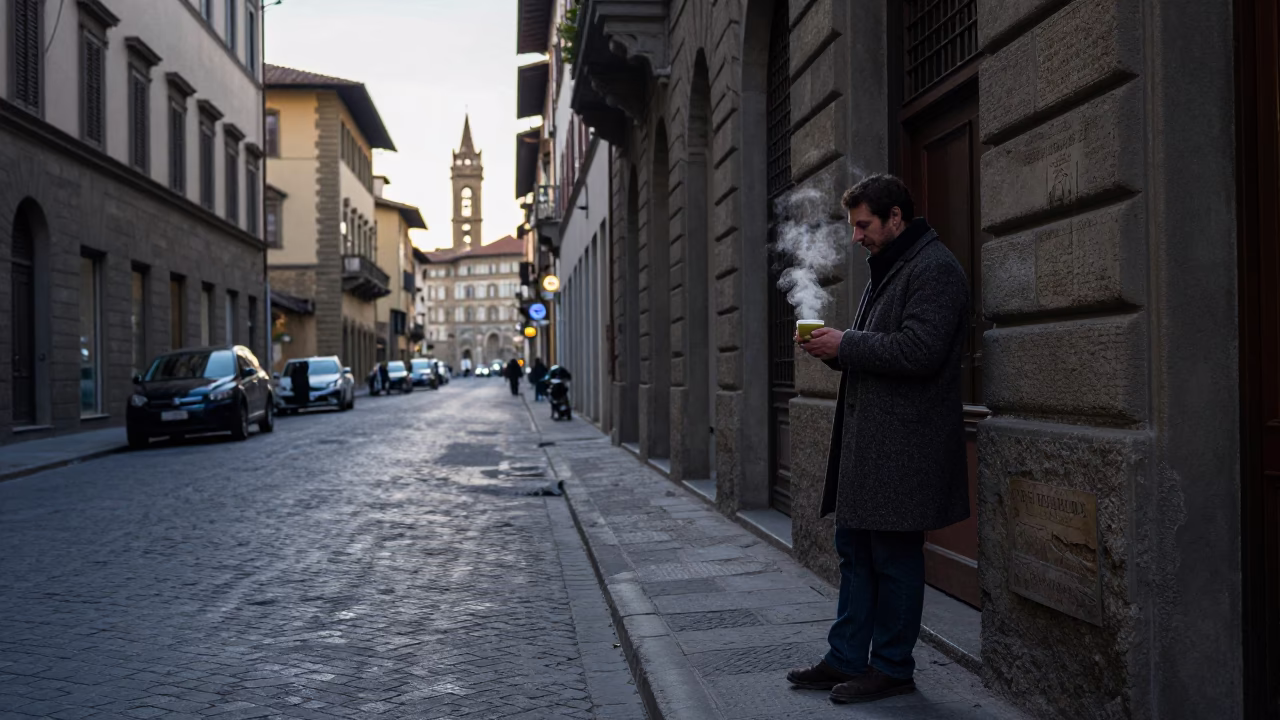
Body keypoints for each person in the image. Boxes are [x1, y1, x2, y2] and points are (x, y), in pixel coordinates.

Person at [787, 174, 970, 705]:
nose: (857, 236)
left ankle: (891, 666)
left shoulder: (935, 269)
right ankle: (845, 657)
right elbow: (881, 345)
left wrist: (847, 344)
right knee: (856, 553)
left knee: (893, 559)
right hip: (871, 447)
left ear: (895, 218)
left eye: (864, 225)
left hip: (903, 450)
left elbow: (921, 351)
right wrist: (836, 347)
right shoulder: (891, 267)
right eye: (853, 226)